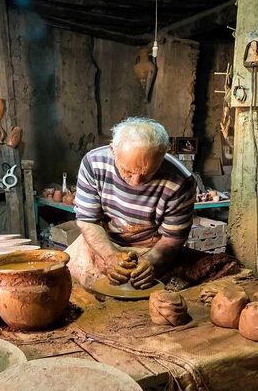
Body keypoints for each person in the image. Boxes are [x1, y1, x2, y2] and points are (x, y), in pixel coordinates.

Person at [66, 117, 196, 289]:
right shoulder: (93, 163)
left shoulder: (180, 181)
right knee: (69, 284)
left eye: (147, 173)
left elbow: (172, 238)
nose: (136, 182)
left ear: (164, 155)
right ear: (113, 150)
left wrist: (150, 262)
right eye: (127, 171)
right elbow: (87, 221)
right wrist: (110, 255)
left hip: (150, 247)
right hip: (103, 241)